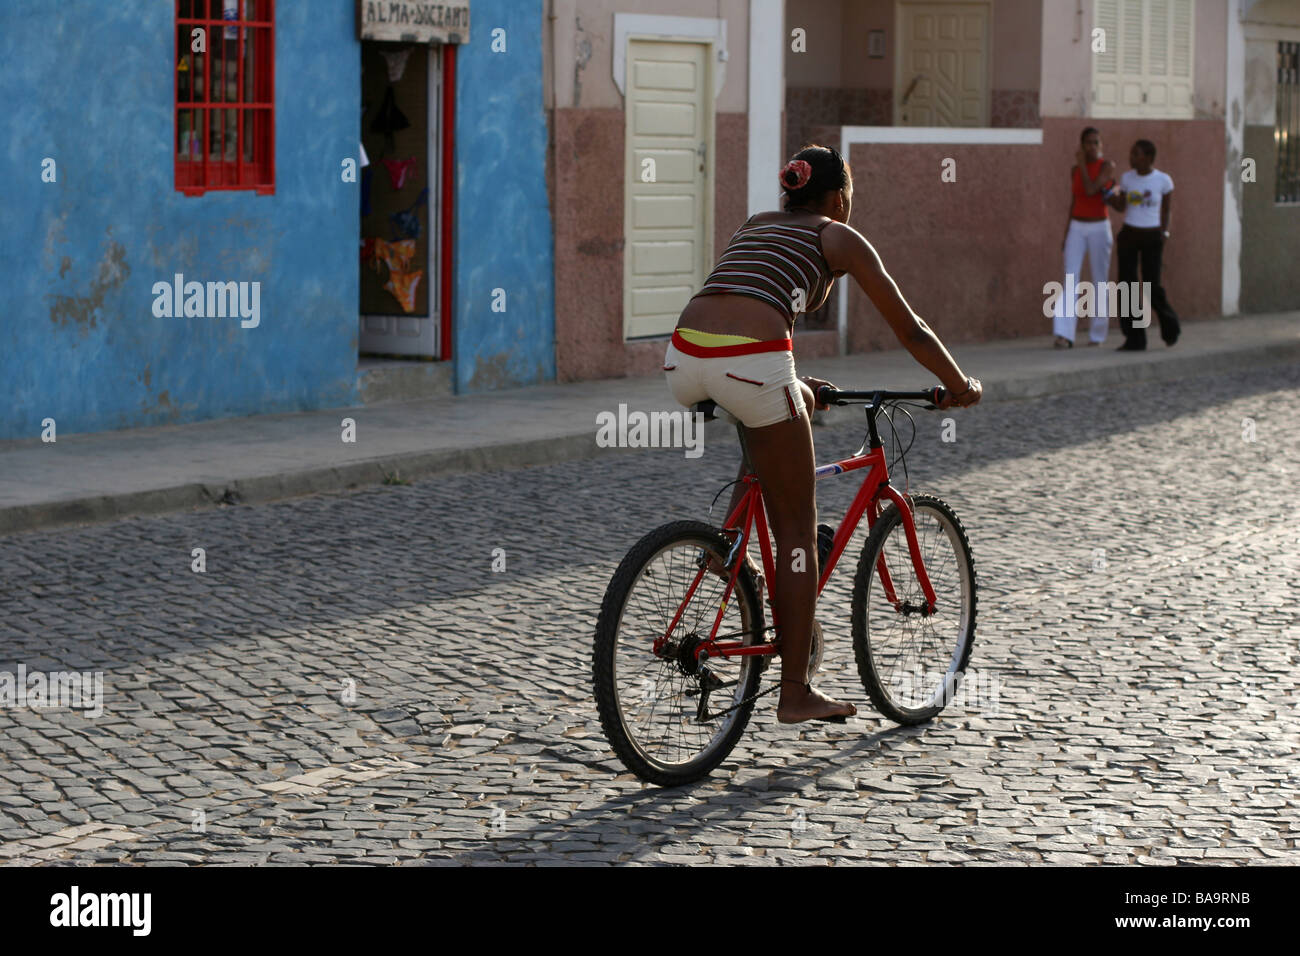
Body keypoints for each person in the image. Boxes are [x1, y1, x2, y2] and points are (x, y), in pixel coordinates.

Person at [662, 144, 982, 725]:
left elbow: (745, 302)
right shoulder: (837, 236)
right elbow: (911, 328)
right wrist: (958, 384)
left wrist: (791, 383)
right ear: (837, 198)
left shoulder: (756, 224)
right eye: (848, 197)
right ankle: (795, 693)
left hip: (682, 358)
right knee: (798, 535)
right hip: (752, 364)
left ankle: (730, 548)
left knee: (781, 408)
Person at [1109, 139, 1180, 350]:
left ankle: (1171, 329)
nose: (1131, 158)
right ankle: (1135, 338)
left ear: (1149, 158)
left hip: (1152, 237)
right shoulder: (1127, 178)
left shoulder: (1163, 180)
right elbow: (1121, 206)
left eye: (1136, 154)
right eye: (1131, 153)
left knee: (1152, 286)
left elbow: (1166, 210)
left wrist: (1164, 233)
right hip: (1130, 235)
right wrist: (1110, 196)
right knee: (1127, 286)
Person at [1054, 127, 1118, 348]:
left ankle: (1097, 334)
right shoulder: (1075, 170)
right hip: (1077, 225)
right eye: (1088, 143)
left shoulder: (1107, 166)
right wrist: (1067, 233)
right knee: (1070, 278)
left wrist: (1082, 164)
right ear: (1081, 145)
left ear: (1101, 145)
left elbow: (1091, 189)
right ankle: (1064, 334)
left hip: (1099, 226)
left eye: (1096, 142)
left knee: (1100, 280)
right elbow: (1075, 200)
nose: (1092, 147)